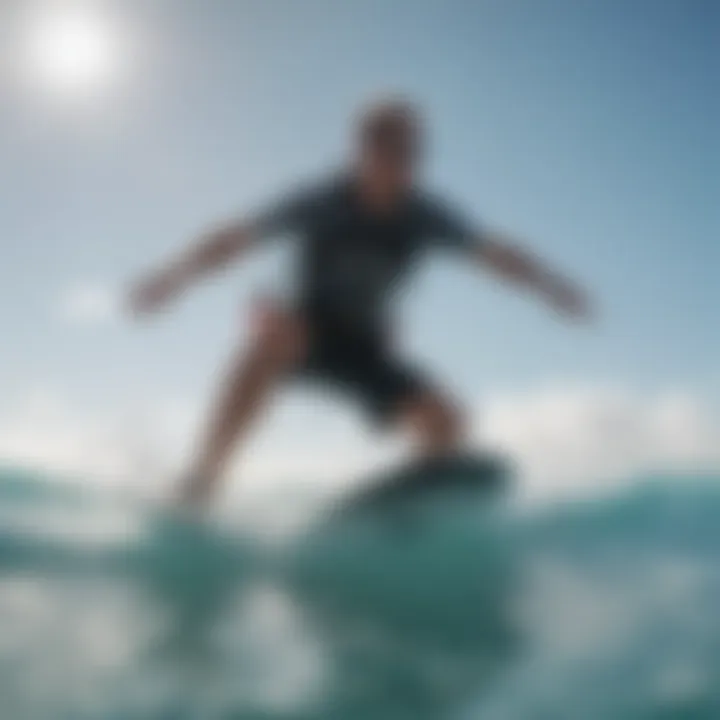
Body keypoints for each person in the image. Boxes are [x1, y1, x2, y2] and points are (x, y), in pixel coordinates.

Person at [129, 97, 592, 510]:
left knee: (448, 423)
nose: (404, 161)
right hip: (306, 333)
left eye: (413, 150)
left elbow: (497, 256)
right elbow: (234, 239)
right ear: (361, 149)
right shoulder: (322, 201)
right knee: (271, 333)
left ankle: (404, 516)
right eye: (391, 147)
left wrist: (554, 288)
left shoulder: (425, 214)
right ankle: (204, 481)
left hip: (367, 347)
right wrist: (171, 278)